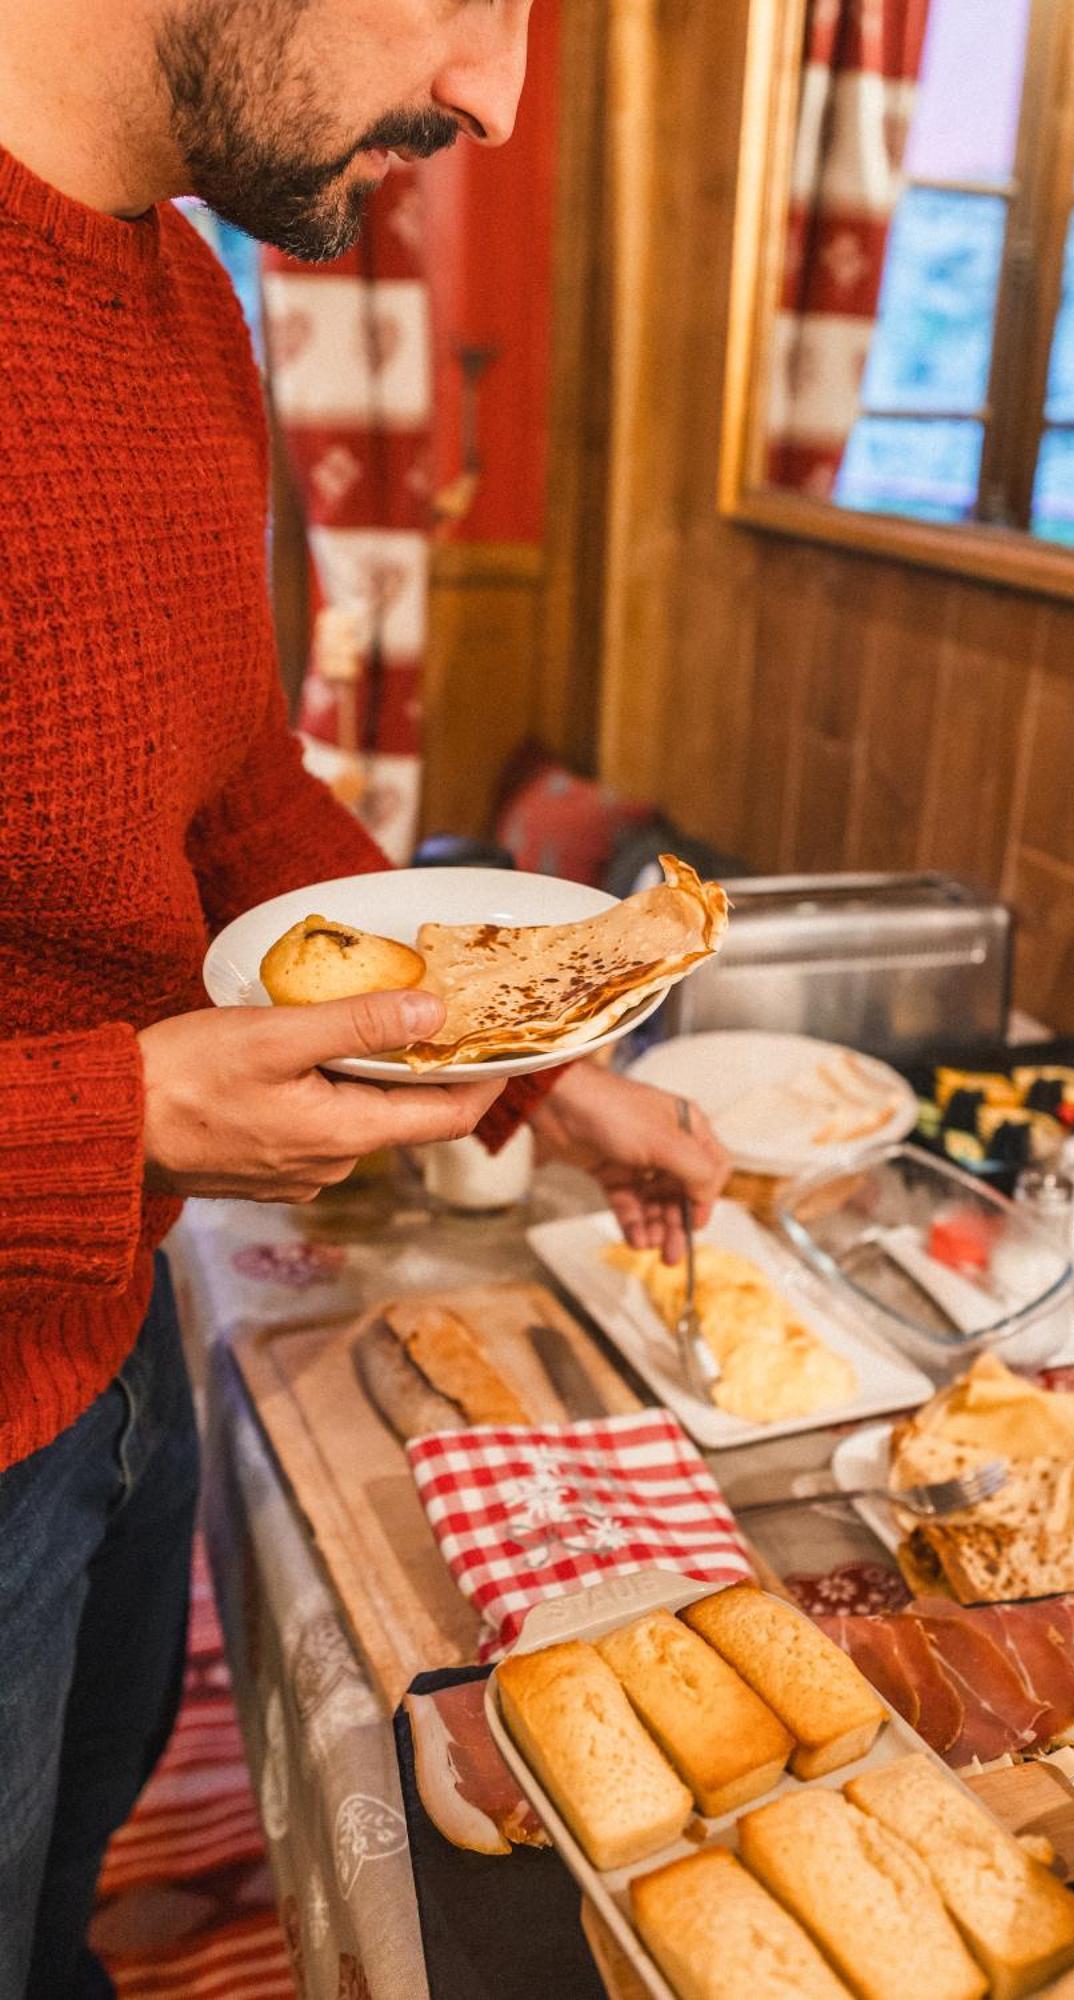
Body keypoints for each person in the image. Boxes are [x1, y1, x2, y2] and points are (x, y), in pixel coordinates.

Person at [0, 3, 730, 1993]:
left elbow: (236, 792)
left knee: (60, 1897)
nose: (497, 95)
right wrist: (121, 1118)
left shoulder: (181, 300)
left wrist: (530, 1057)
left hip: (112, 1335)